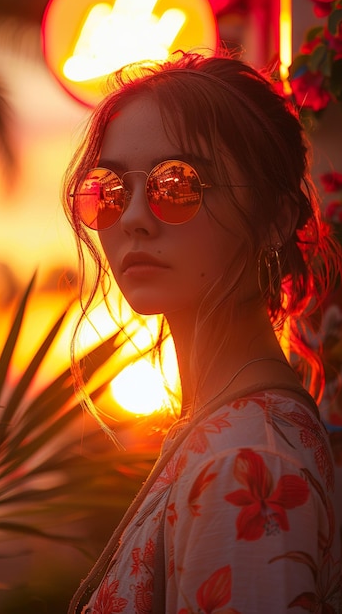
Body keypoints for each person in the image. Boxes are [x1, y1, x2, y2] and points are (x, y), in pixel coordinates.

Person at [63, 50, 342, 613]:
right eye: (110, 190)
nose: (135, 216)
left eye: (178, 183)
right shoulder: (233, 433)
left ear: (274, 218)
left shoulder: (244, 464)